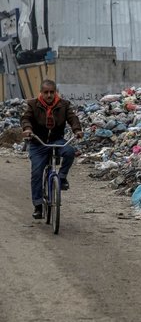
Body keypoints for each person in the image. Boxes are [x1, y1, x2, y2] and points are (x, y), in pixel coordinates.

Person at [21, 79, 84, 219]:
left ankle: (61, 178)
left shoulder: (64, 105)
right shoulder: (32, 104)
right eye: (46, 92)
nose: (49, 95)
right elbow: (26, 119)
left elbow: (72, 118)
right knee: (37, 173)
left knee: (69, 152)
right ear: (41, 93)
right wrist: (28, 129)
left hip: (56, 140)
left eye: (52, 92)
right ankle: (38, 205)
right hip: (38, 142)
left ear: (55, 92)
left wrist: (77, 130)